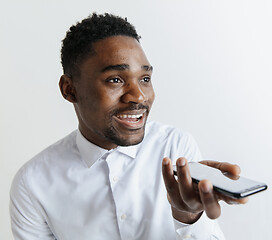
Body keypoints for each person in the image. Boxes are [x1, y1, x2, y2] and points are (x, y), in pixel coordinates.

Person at [10, 13, 247, 240]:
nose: (139, 96)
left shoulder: (175, 146)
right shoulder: (33, 183)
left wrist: (188, 219)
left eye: (145, 79)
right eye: (116, 79)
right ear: (69, 89)